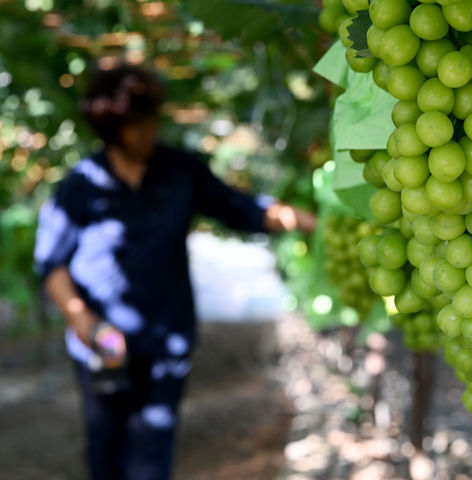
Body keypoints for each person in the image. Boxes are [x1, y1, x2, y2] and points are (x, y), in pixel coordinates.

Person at [33, 64, 315, 480]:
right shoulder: (81, 186)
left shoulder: (180, 171)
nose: (149, 131)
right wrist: (84, 321)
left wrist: (306, 220)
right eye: (137, 124)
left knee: (153, 451)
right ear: (113, 126)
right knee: (107, 447)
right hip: (105, 337)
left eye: (151, 120)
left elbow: (241, 210)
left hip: (167, 336)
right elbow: (52, 263)